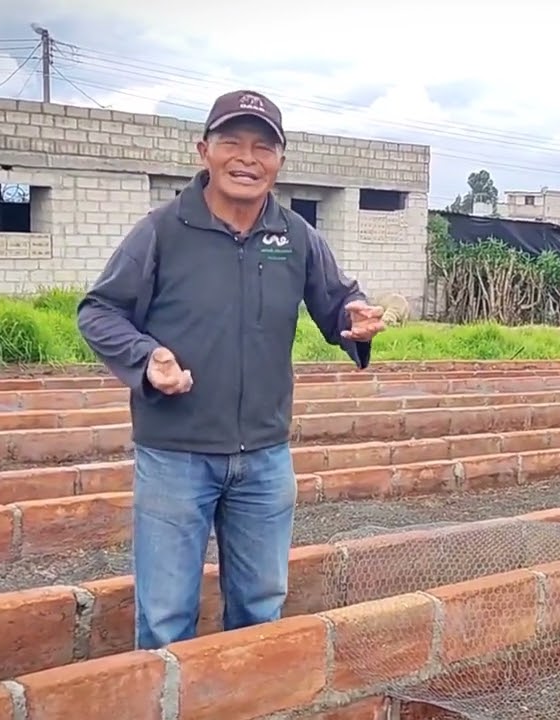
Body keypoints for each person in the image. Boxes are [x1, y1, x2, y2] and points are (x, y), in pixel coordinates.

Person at [76, 89, 386, 650]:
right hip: (175, 455)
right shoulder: (163, 230)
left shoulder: (295, 236)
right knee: (167, 616)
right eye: (232, 143)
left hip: (265, 459)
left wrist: (354, 320)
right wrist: (148, 359)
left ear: (280, 160)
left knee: (260, 608)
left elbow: (338, 301)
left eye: (263, 146)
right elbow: (99, 311)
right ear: (204, 151)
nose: (247, 158)